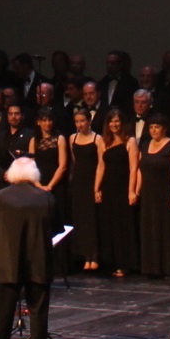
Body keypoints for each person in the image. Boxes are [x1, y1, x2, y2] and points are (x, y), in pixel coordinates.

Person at [0, 157, 58, 339]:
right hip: (39, 263)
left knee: (2, 316)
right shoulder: (46, 198)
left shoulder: (0, 197)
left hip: (9, 265)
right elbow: (56, 229)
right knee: (38, 314)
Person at [135, 116, 170, 278]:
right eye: (151, 126)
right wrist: (137, 191)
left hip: (165, 193)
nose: (154, 129)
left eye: (157, 126)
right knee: (149, 228)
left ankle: (167, 268)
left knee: (164, 229)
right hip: (148, 194)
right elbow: (140, 170)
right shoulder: (145, 145)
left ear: (164, 128)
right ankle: (150, 267)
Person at [97, 108, 139, 276]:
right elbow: (101, 166)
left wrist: (131, 191)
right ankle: (111, 262)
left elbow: (134, 167)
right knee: (110, 224)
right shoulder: (102, 142)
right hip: (108, 187)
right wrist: (96, 188)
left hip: (123, 187)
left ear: (122, 123)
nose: (114, 124)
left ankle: (124, 264)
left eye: (117, 121)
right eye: (111, 121)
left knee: (123, 225)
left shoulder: (130, 141)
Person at [68, 110, 103, 271]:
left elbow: (101, 165)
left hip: (91, 181)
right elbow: (75, 161)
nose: (80, 124)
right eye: (77, 121)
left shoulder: (97, 139)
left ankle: (94, 256)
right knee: (80, 219)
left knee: (92, 219)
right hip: (78, 183)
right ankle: (84, 257)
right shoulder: (72, 138)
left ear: (89, 121)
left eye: (82, 121)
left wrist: (97, 187)